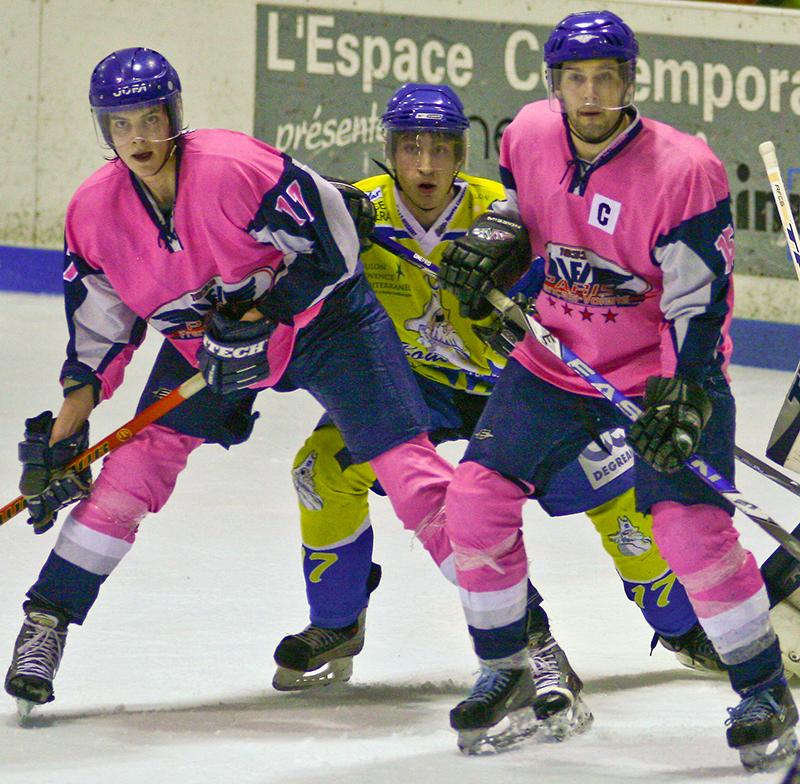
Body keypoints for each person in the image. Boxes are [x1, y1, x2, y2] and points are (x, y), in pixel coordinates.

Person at [3, 47, 458, 718]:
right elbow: (101, 330)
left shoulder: (233, 166)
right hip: (206, 350)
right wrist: (69, 430)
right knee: (131, 472)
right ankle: (46, 621)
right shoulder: (95, 212)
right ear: (105, 129)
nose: (138, 138)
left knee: (410, 472)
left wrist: (258, 316)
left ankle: (523, 634)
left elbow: (334, 243)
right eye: (121, 124)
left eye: (150, 119)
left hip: (326, 325)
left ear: (173, 116)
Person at [271, 83, 726, 733]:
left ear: (463, 154)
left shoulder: (509, 211)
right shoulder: (361, 212)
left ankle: (681, 626)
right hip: (415, 388)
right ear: (389, 151)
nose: (426, 165)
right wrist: (325, 216)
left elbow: (583, 277)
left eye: (441, 149)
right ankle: (337, 622)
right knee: (320, 470)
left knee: (616, 494)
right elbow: (278, 222)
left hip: (517, 388)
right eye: (410, 148)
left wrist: (534, 313)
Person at [437, 9, 799, 770]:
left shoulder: (683, 169)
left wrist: (684, 391)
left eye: (607, 77)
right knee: (473, 500)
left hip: (662, 368)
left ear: (631, 81)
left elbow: (698, 300)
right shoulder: (528, 134)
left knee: (689, 531)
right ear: (555, 82)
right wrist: (500, 244)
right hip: (556, 359)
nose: (592, 93)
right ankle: (506, 669)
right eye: (577, 78)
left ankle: (764, 690)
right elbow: (529, 217)